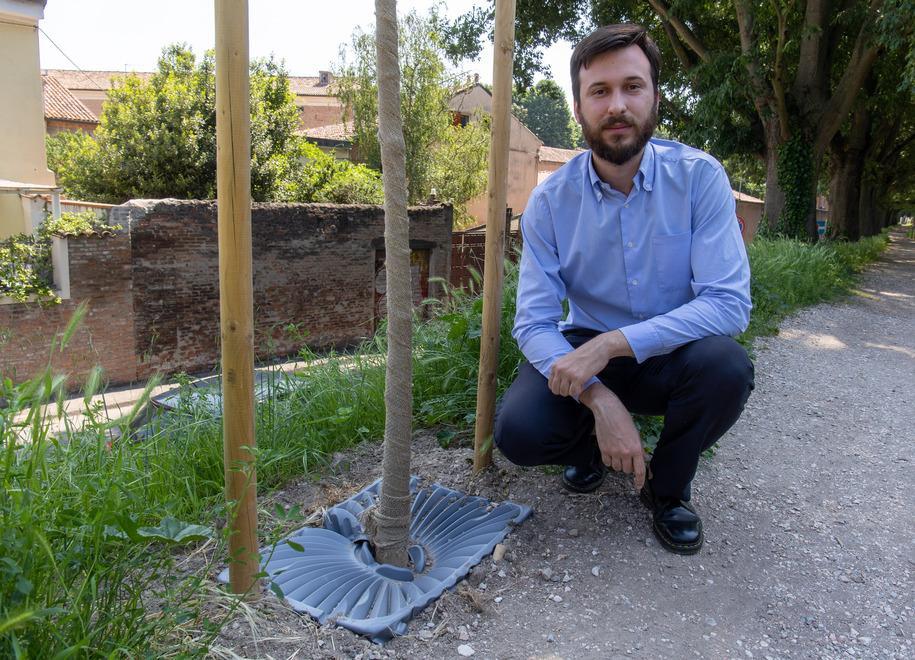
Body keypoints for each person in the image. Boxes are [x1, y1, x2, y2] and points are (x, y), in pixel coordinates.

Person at [493, 24, 755, 555]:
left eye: (632, 87)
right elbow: (534, 323)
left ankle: (668, 490)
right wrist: (597, 395)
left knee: (727, 368)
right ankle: (591, 450)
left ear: (655, 96)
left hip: (671, 351)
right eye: (600, 91)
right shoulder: (550, 202)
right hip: (587, 348)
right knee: (519, 432)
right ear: (578, 106)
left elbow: (728, 304)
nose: (617, 105)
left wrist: (613, 344)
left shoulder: (699, 178)